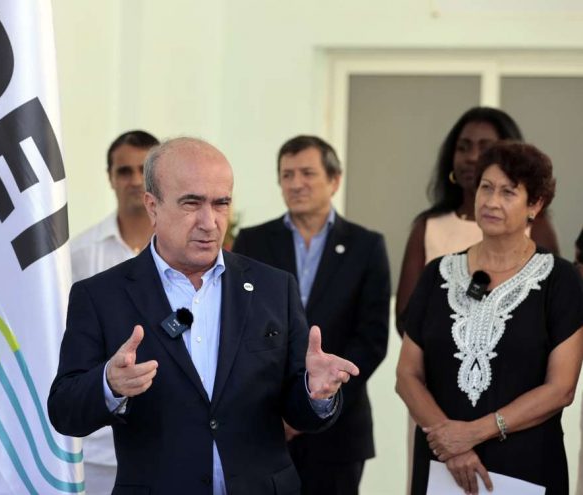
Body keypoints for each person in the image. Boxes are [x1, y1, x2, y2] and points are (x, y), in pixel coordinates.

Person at [48, 137, 360, 494]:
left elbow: (298, 409)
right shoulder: (101, 295)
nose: (209, 222)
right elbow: (64, 409)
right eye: (191, 203)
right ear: (152, 206)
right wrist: (109, 384)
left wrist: (315, 392)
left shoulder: (274, 289)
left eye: (221, 203)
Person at [395, 141, 583, 495]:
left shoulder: (560, 279)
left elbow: (561, 388)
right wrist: (452, 444)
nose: (492, 201)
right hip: (443, 468)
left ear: (535, 205)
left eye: (509, 192)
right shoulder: (439, 274)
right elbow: (406, 375)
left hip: (526, 469)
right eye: (486, 187)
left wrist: (473, 433)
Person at [232, 135, 390, 495]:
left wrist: (319, 397)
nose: (296, 183)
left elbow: (372, 338)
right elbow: (239, 328)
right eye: (287, 175)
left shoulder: (366, 246)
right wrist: (283, 409)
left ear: (334, 180)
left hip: (339, 427)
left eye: (307, 173)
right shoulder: (253, 242)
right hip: (265, 421)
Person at [395, 107, 560, 336]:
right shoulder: (428, 226)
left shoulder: (537, 227)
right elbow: (406, 316)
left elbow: (554, 313)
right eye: (463, 148)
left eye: (485, 148)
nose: (472, 157)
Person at [67, 129, 159, 494]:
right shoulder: (80, 254)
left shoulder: (188, 256)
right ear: (110, 177)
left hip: (172, 440)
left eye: (143, 170)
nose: (135, 181)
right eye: (124, 171)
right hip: (98, 446)